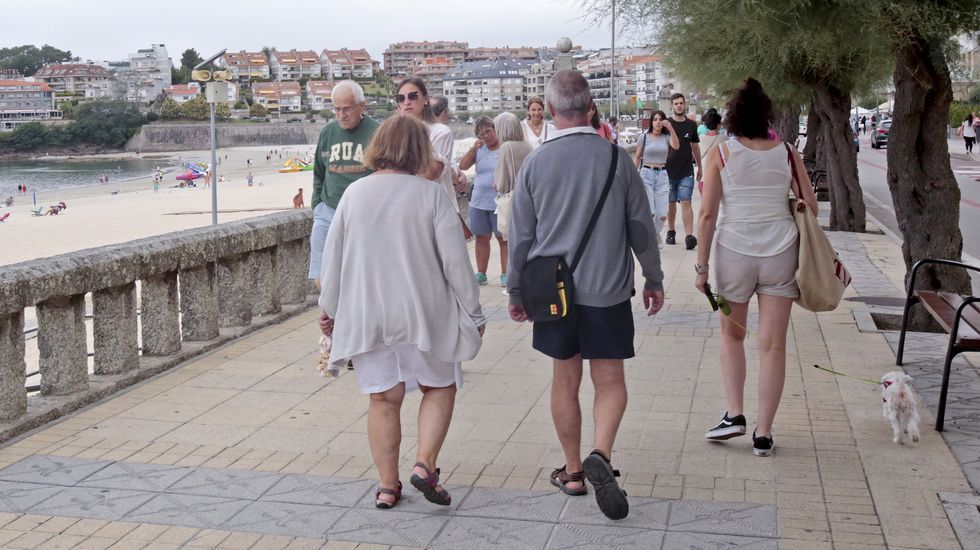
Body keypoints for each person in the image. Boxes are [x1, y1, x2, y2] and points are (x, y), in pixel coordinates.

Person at [507, 70, 665, 521]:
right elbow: (641, 228)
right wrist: (653, 278)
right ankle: (602, 452)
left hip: (553, 294)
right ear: (591, 108)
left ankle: (574, 471)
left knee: (565, 380)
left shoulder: (535, 164)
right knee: (610, 379)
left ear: (551, 112)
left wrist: (516, 290)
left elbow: (520, 238)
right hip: (608, 289)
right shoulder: (617, 159)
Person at [318, 114, 486, 510]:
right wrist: (475, 315)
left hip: (367, 314)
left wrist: (329, 310)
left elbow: (333, 260)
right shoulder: (430, 196)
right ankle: (425, 464)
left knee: (382, 399)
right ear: (418, 152)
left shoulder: (354, 195)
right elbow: (456, 266)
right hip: (424, 312)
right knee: (440, 386)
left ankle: (387, 486)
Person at [695, 77, 818, 457]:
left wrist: (701, 268)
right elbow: (810, 206)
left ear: (732, 116)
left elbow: (707, 214)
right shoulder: (787, 152)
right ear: (767, 114)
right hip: (781, 251)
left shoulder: (722, 152)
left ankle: (735, 414)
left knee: (732, 336)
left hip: (733, 254)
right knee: (773, 346)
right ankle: (763, 434)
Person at [309, 80, 379, 286]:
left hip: (363, 214)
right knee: (320, 275)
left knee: (358, 275)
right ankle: (331, 313)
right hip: (327, 211)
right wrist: (317, 205)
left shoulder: (377, 132)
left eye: (347, 109)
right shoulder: (328, 132)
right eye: (337, 109)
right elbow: (319, 171)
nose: (341, 115)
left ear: (362, 106)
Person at [394, 78, 461, 211]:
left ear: (426, 99)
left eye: (412, 96)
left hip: (436, 209)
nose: (406, 102)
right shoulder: (395, 136)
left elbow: (430, 172)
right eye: (401, 98)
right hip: (407, 209)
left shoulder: (441, 132)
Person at [459, 117, 506, 286]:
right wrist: (473, 149)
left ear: (495, 129)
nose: (486, 136)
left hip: (499, 201)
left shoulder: (505, 148)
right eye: (481, 134)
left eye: (488, 131)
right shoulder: (480, 149)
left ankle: (505, 274)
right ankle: (481, 273)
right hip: (478, 201)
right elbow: (462, 166)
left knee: (503, 239)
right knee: (481, 238)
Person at [633, 110, 680, 238]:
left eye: (660, 119)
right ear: (651, 122)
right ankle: (651, 238)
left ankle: (655, 234)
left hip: (662, 175)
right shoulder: (644, 137)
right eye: (655, 119)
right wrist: (633, 175)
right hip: (646, 173)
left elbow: (676, 146)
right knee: (651, 212)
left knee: (662, 214)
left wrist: (671, 129)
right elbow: (637, 157)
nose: (658, 122)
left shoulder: (666, 137)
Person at [664, 92, 702, 250]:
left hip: (686, 170)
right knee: (671, 202)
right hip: (668, 171)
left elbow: (695, 146)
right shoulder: (667, 125)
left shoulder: (691, 125)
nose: (679, 105)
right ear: (672, 106)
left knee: (686, 201)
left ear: (684, 104)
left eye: (681, 103)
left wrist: (700, 166)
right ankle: (671, 231)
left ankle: (689, 236)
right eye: (676, 103)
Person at [493, 112, 532, 242]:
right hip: (528, 200)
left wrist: (496, 183)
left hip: (513, 203)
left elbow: (501, 184)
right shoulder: (528, 146)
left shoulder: (505, 147)